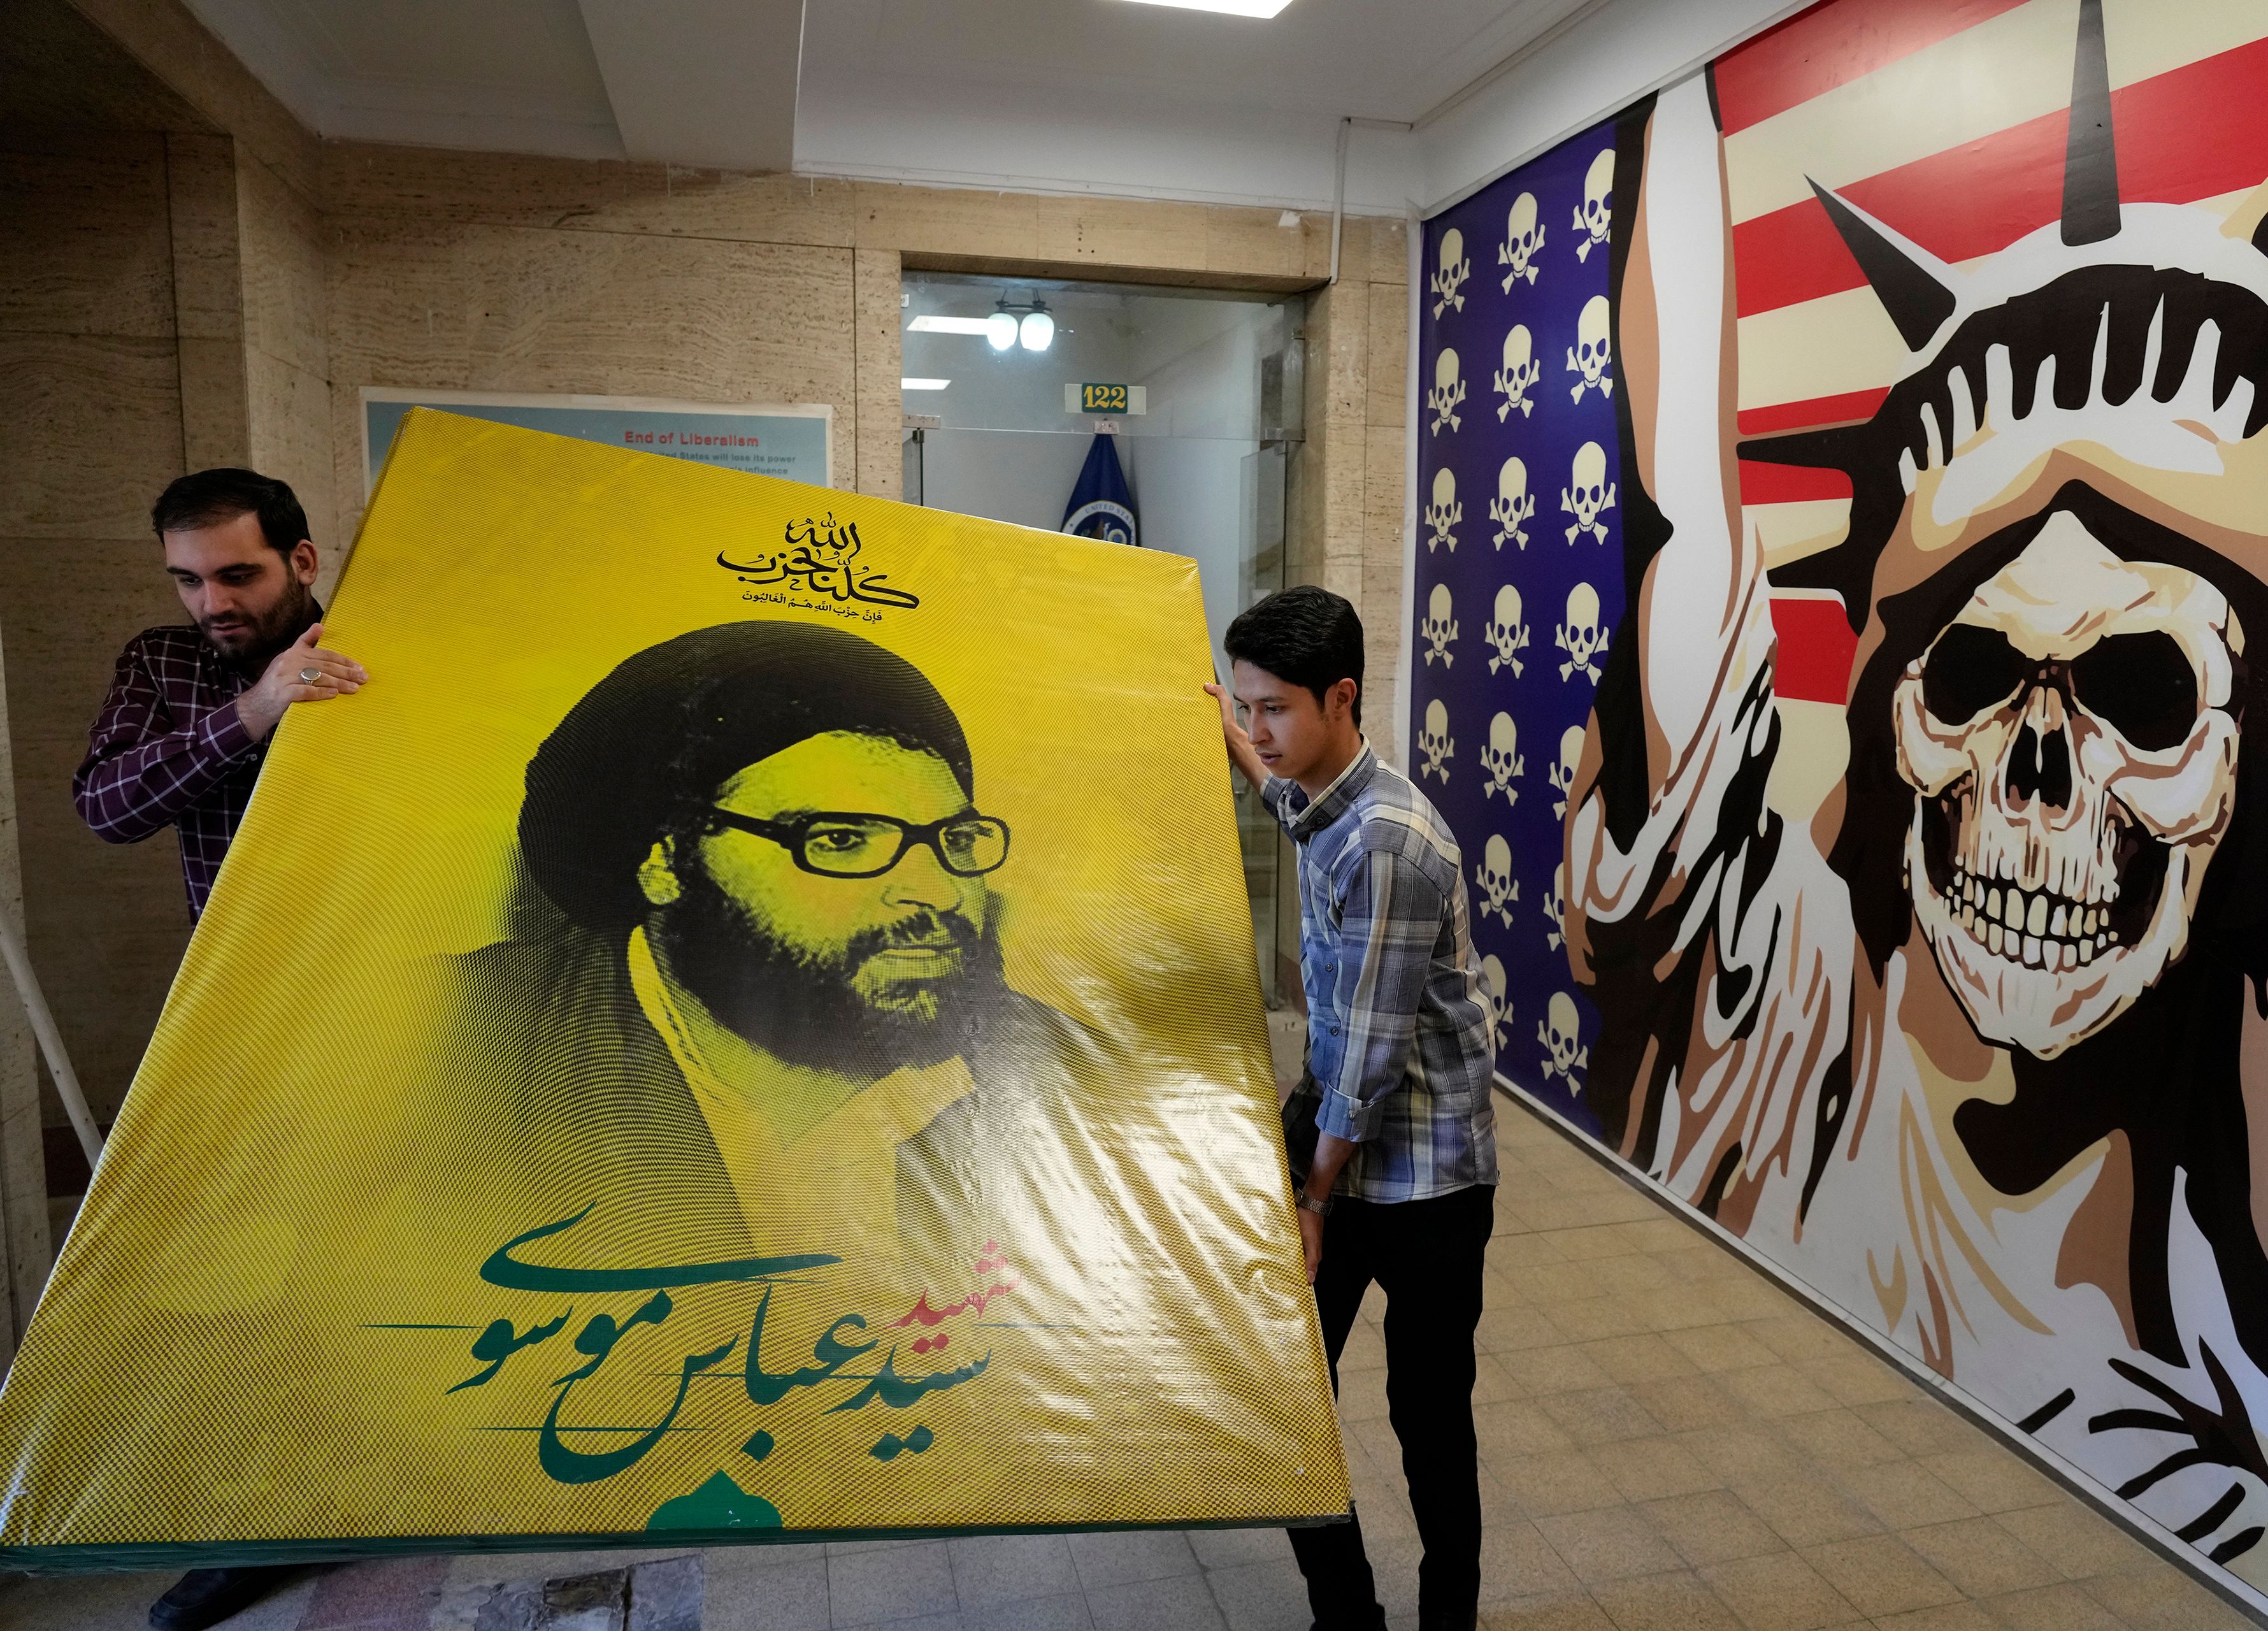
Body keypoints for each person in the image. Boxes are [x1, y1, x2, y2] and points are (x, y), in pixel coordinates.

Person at [434, 619, 1116, 1281]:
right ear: (667, 861)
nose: (935, 892)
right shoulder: (443, 1042)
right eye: (843, 840)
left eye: (955, 842)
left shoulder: (1085, 1081)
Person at [73, 466, 366, 1629]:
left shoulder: (397, 635)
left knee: (390, 1263)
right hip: (250, 1022)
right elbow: (104, 806)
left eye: (236, 574)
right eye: (189, 579)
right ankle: (260, 1526)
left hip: (397, 1002)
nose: (212, 602)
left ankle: (414, 1480)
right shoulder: (167, 664)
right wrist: (255, 711)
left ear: (300, 560)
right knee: (251, 1287)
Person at [1206, 586, 1499, 1631]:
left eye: (1273, 710)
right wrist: (1228, 738)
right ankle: (1348, 1614)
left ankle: (1445, 1618)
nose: (1257, 731)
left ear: (1341, 698)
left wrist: (1312, 1202)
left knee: (1426, 1419)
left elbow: (1370, 1065)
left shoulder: (1387, 841)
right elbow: (1284, 798)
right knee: (1286, 1399)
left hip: (1421, 1179)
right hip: (1337, 1134)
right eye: (1245, 707)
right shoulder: (1322, 797)